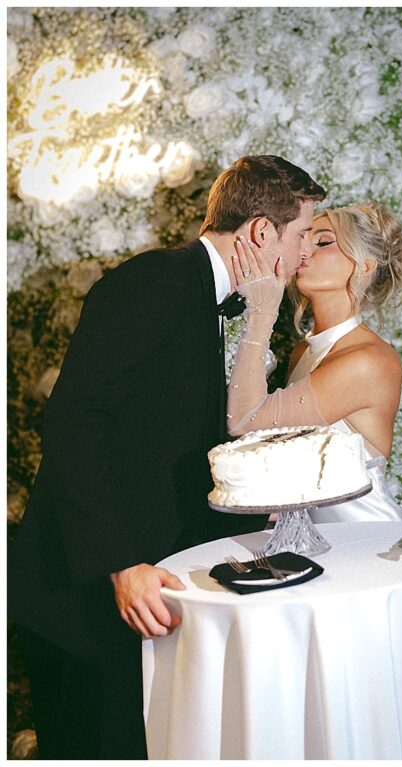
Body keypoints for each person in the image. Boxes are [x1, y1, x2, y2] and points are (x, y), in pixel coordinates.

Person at [7, 155, 325, 758]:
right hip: (79, 593)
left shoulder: (205, 296)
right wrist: (122, 563)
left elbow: (164, 441)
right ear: (261, 232)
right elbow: (76, 422)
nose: (305, 251)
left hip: (140, 584)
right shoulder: (156, 281)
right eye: (302, 233)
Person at [226, 201, 402, 521]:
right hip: (310, 541)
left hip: (365, 542)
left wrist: (262, 311)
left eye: (323, 242)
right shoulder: (303, 352)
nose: (304, 251)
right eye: (302, 239)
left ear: (364, 266)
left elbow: (244, 422)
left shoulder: (367, 362)